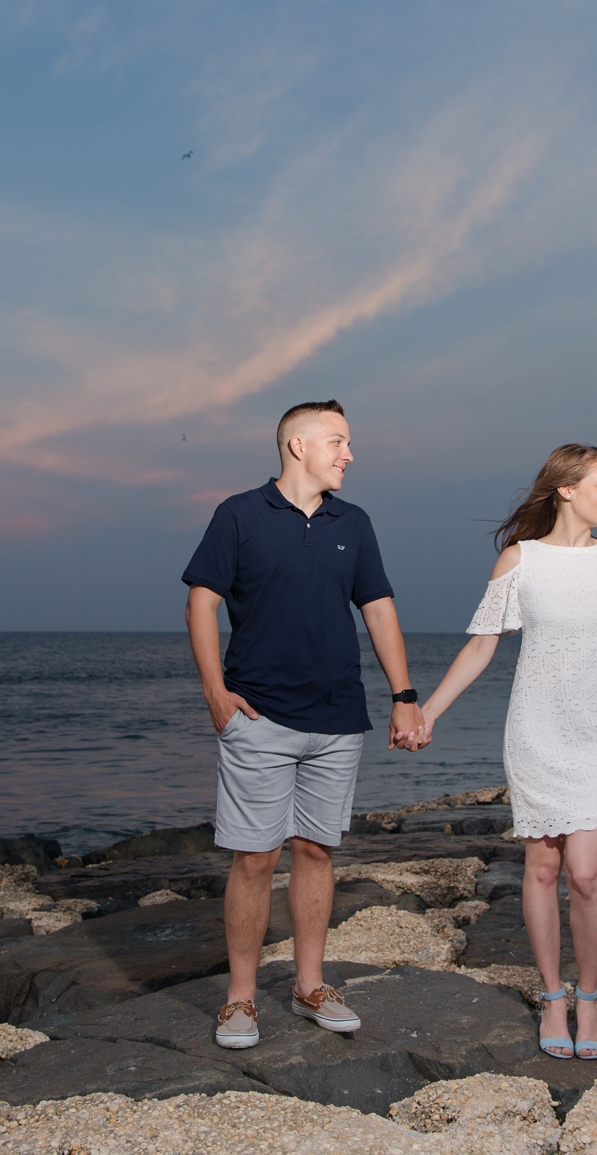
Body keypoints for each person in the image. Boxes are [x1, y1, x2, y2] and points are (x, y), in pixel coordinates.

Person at [182, 399, 428, 1051]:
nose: (349, 454)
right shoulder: (238, 514)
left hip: (338, 718)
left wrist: (404, 696)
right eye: (338, 442)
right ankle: (239, 998)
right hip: (258, 716)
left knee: (317, 851)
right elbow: (201, 600)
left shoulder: (356, 522)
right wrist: (215, 691)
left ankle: (310, 984)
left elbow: (379, 610)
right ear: (298, 446)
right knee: (255, 858)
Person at [417, 443, 597, 1060]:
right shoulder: (520, 561)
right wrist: (427, 711)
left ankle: (590, 999)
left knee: (586, 872)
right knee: (543, 868)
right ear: (567, 489)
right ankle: (553, 998)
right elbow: (481, 647)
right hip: (537, 730)